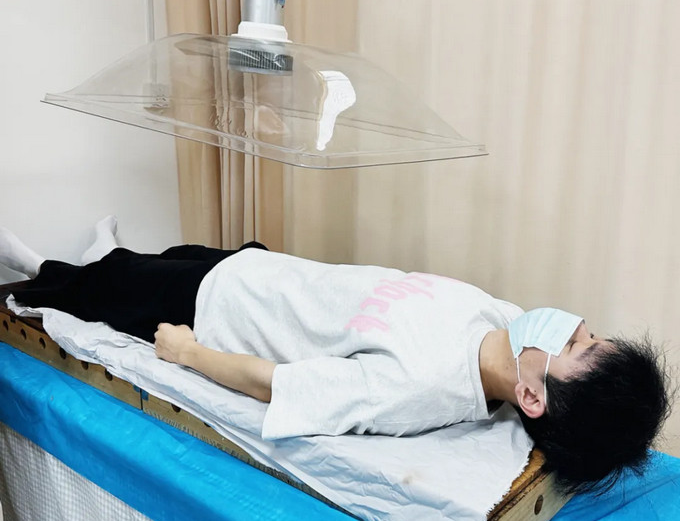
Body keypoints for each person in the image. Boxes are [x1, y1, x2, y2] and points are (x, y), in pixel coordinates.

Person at [0, 218, 671, 495]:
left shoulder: (419, 387)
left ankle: (30, 270)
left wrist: (191, 352)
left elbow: (281, 384)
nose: (574, 326)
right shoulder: (504, 323)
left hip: (220, 308)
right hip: (264, 271)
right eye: (591, 334)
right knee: (159, 255)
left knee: (105, 284)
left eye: (576, 345)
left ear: (531, 396)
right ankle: (88, 257)